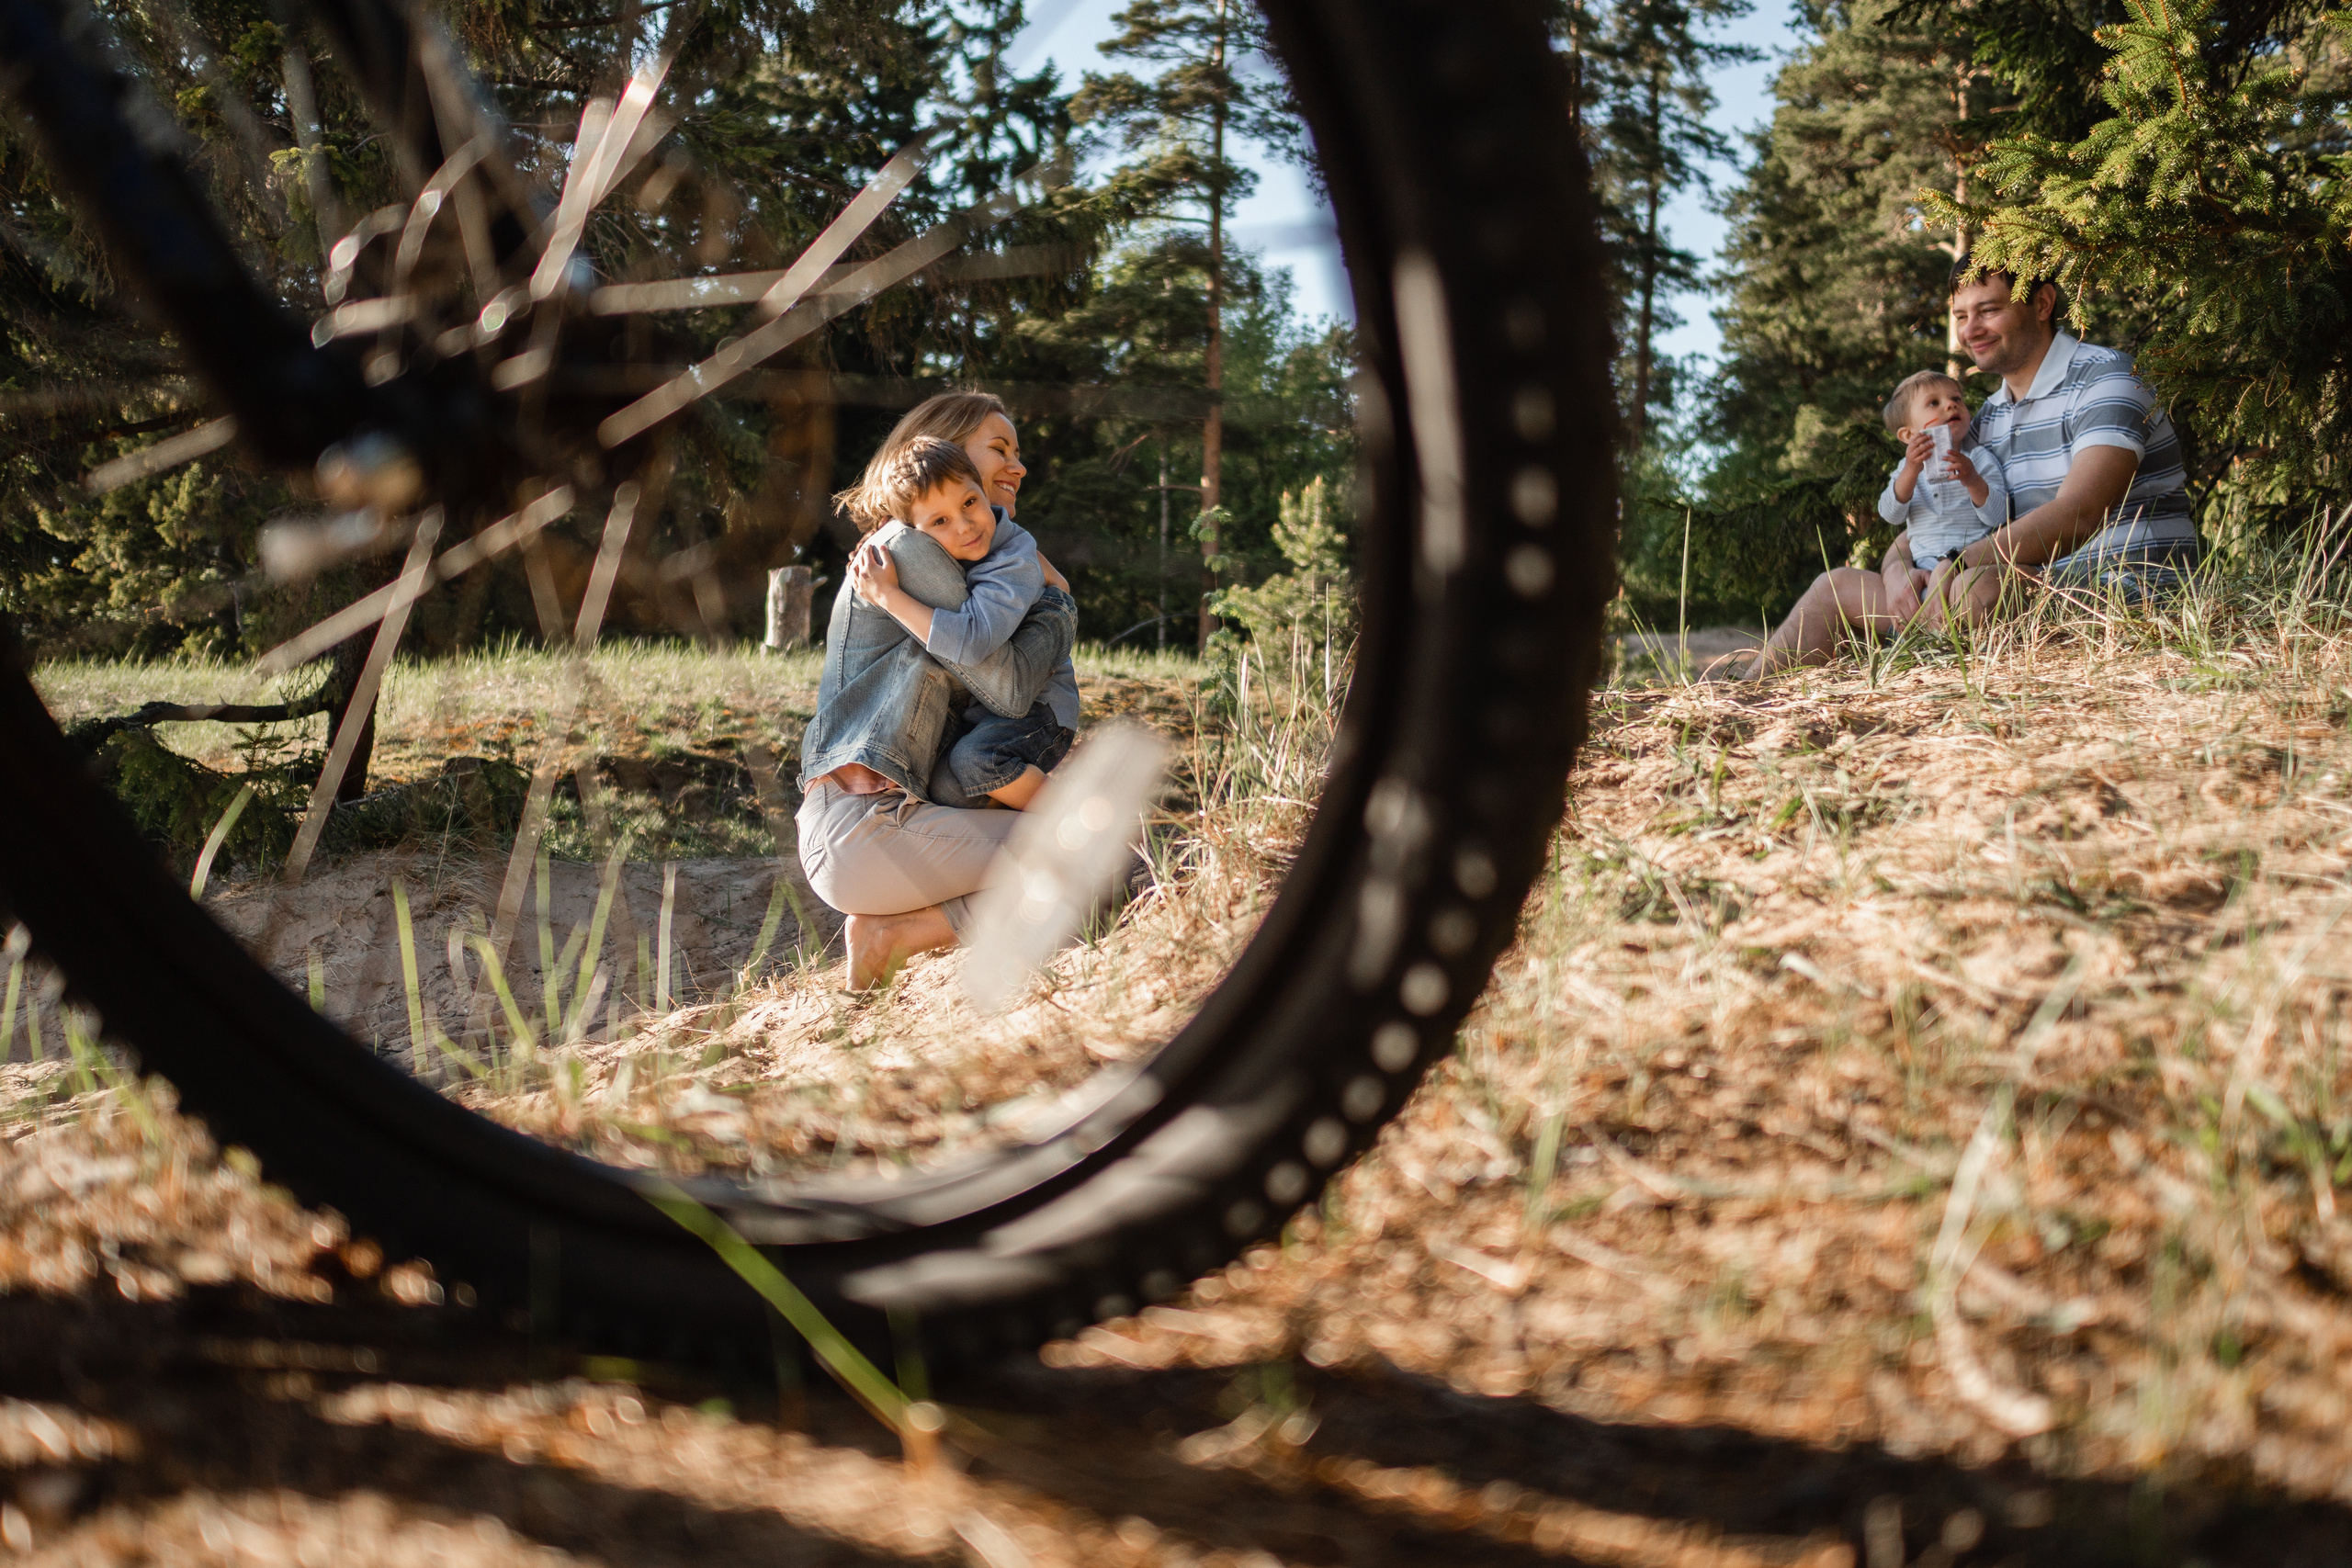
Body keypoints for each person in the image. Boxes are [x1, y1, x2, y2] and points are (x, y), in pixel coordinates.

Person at [1726, 256, 2194, 678]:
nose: (1971, 329)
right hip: (2007, 584)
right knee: (1834, 586)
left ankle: (1918, 680)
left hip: (2120, 590)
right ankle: (1742, 700)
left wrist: (1956, 562)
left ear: (2043, 303)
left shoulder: (2107, 378)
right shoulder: (1982, 419)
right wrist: (1896, 575)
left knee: (1974, 589)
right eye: (1961, 316)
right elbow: (1926, 522)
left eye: (1988, 310)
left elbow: (2081, 511)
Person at [796, 393, 1080, 988]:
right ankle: (895, 934)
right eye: (998, 448)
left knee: (1084, 852)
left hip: (871, 825)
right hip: (866, 827)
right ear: (944, 448)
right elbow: (1006, 685)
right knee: (1089, 855)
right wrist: (1057, 609)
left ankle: (890, 935)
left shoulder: (949, 550)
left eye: (1017, 451)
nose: (1017, 466)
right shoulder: (910, 551)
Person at [840, 435, 1077, 811]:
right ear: (916, 533)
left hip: (1042, 709)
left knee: (977, 762)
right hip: (983, 709)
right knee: (950, 789)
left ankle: (1075, 819)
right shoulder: (945, 552)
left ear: (983, 491)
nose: (965, 525)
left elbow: (973, 640)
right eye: (940, 521)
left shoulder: (1013, 559)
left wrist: (888, 596)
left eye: (970, 502)